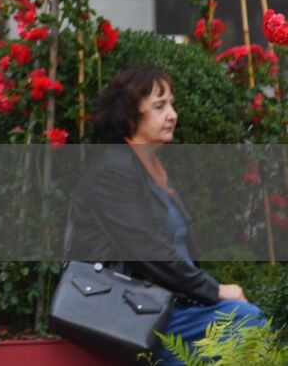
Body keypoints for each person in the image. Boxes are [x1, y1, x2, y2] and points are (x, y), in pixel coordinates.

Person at [68, 66, 267, 364]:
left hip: (170, 303)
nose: (172, 114)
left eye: (171, 104)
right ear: (129, 115)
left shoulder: (151, 167)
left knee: (248, 329)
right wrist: (216, 290)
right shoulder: (114, 169)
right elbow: (148, 251)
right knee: (246, 322)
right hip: (135, 308)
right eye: (159, 106)